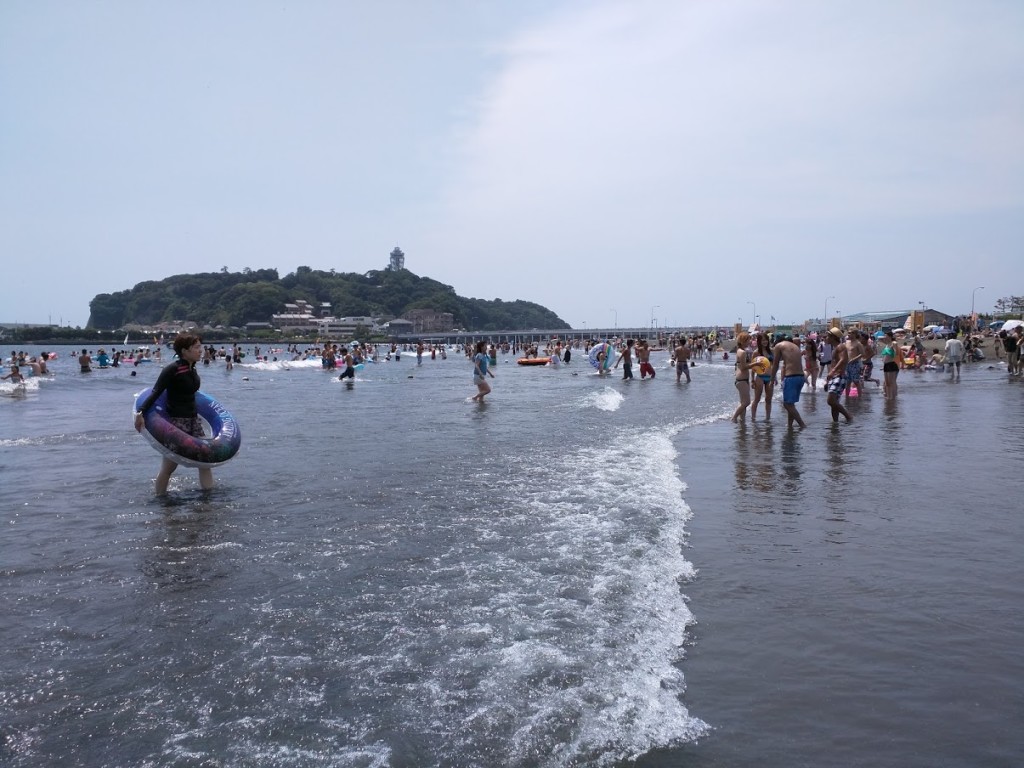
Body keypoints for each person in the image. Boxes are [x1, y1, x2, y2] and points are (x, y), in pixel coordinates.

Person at [134, 334, 213, 495]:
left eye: (200, 346)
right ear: (185, 350)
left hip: (194, 421)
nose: (201, 350)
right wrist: (140, 412)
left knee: (205, 462)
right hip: (177, 422)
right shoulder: (173, 369)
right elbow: (156, 392)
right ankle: (160, 498)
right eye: (197, 347)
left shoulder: (193, 368)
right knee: (169, 466)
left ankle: (209, 500)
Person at [770, 335, 807, 429]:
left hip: (791, 377)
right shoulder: (794, 346)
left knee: (786, 404)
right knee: (791, 404)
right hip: (800, 377)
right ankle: (790, 425)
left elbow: (775, 364)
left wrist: (772, 380)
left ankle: (802, 425)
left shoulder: (779, 346)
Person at [824, 328, 852, 422]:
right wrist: (828, 379)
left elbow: (843, 359)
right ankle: (835, 424)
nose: (826, 338)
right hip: (834, 376)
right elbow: (833, 363)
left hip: (839, 376)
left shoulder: (841, 347)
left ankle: (848, 417)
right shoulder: (835, 347)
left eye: (828, 336)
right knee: (834, 403)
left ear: (833, 337)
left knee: (830, 401)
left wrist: (833, 371)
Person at [750, 333, 774, 421]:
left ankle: (768, 418)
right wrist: (752, 380)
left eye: (766, 340)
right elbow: (753, 367)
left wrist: (774, 377)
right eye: (763, 340)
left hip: (770, 377)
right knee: (757, 398)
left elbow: (774, 365)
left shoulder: (771, 351)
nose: (765, 342)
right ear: (759, 341)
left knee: (768, 399)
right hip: (760, 377)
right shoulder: (756, 352)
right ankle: (753, 418)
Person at [731, 332, 752, 423]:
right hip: (742, 379)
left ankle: (742, 420)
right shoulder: (742, 352)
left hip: (743, 379)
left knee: (743, 402)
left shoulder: (740, 350)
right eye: (748, 340)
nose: (750, 341)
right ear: (743, 341)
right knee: (747, 402)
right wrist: (756, 364)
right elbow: (743, 367)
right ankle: (734, 417)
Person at [880, 330, 900, 400]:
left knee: (892, 382)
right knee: (887, 383)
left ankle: (893, 397)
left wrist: (894, 348)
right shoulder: (887, 344)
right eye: (885, 336)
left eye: (886, 336)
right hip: (886, 365)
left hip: (891, 364)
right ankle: (888, 397)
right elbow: (879, 339)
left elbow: (896, 353)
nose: (885, 337)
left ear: (890, 337)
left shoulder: (893, 343)